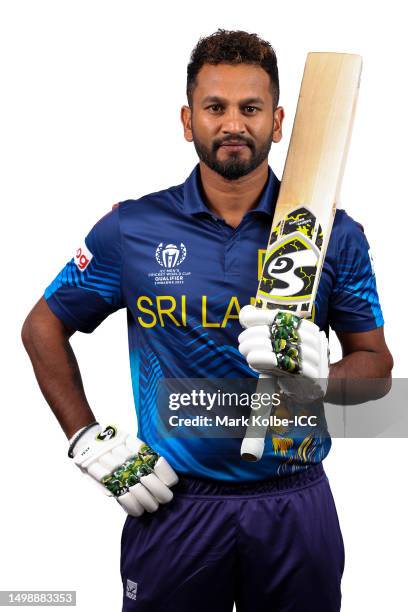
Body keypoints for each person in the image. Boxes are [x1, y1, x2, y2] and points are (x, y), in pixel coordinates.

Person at [21, 29, 393, 612]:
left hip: (293, 502)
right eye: (215, 107)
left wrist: (319, 383)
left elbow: (376, 367)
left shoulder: (333, 234)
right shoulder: (133, 229)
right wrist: (84, 434)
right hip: (174, 504)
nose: (233, 124)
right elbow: (41, 326)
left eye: (251, 108)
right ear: (188, 120)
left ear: (278, 120)